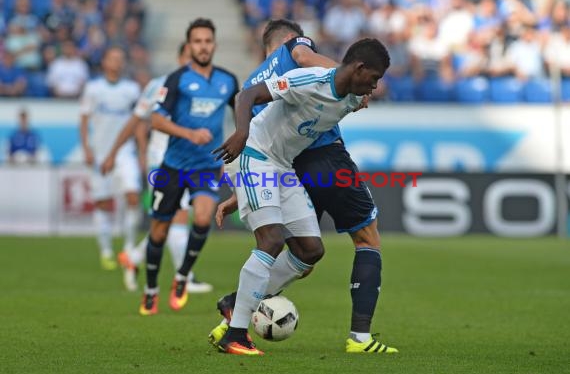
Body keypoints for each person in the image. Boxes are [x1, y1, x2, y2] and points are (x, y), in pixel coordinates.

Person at [210, 19, 393, 356]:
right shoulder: (306, 78)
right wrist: (240, 133)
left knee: (310, 250)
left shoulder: (352, 100)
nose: (375, 86)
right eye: (374, 77)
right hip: (252, 152)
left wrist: (239, 196)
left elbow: (343, 102)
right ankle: (234, 334)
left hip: (280, 166)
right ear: (359, 67)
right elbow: (248, 94)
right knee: (272, 239)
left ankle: (235, 303)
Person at [139, 18, 239, 316]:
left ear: (214, 45)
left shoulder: (227, 80)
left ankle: (182, 276)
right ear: (189, 46)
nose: (203, 46)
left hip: (206, 165)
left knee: (204, 216)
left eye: (208, 41)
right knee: (158, 232)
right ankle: (151, 289)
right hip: (173, 166)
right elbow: (155, 120)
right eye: (197, 41)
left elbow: (243, 117)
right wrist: (189, 134)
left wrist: (235, 147)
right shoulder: (176, 79)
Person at [100, 42, 213, 294]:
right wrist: (115, 153)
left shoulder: (203, 87)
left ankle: (134, 258)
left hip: (187, 160)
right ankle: (186, 277)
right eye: (187, 55)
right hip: (162, 159)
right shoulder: (160, 84)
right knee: (179, 216)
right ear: (180, 56)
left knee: (171, 218)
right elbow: (136, 121)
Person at [79, 46, 142, 271]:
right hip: (100, 153)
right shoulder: (93, 88)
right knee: (103, 203)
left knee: (133, 196)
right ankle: (106, 250)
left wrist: (141, 151)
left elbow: (139, 122)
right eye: (113, 58)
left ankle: (128, 247)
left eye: (120, 58)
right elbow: (84, 120)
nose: (117, 62)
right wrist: (86, 148)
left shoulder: (132, 89)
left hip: (125, 152)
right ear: (104, 62)